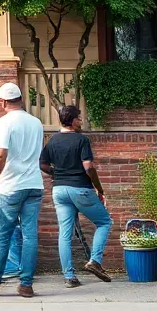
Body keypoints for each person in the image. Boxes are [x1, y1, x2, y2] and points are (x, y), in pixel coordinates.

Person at [0, 82, 44, 298]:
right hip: (34, 184)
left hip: (11, 186)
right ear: (20, 99)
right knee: (30, 235)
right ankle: (26, 285)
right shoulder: (36, 122)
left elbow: (0, 154)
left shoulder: (4, 122)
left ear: (2, 101)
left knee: (4, 232)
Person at [40, 104, 113, 288]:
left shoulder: (52, 140)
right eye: (79, 118)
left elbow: (42, 164)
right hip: (80, 189)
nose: (81, 121)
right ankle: (95, 261)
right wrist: (99, 188)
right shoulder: (82, 140)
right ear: (72, 121)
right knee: (104, 222)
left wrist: (56, 174)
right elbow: (88, 167)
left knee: (64, 233)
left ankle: (69, 277)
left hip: (59, 190)